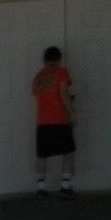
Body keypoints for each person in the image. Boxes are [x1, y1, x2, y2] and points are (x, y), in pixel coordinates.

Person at [32, 46, 76, 197]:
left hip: (43, 122)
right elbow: (63, 93)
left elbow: (38, 95)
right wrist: (72, 113)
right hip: (60, 120)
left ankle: (41, 188)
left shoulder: (38, 77)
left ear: (44, 60)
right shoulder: (61, 72)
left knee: (42, 155)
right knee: (68, 152)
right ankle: (65, 186)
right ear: (59, 59)